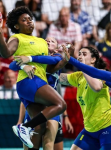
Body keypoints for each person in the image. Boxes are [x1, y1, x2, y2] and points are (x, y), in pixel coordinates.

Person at [0, 6, 67, 148]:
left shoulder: (42, 41)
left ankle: (26, 127)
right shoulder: (17, 38)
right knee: (61, 105)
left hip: (36, 84)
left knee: (41, 125)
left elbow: (48, 69)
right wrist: (0, 32)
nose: (29, 21)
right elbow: (6, 54)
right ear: (16, 26)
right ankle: (24, 127)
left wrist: (64, 61)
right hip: (29, 82)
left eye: (30, 19)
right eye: (24, 20)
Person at [10, 36, 73, 150]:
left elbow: (52, 64)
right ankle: (25, 127)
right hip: (35, 105)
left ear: (57, 48)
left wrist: (29, 58)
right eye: (46, 40)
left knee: (48, 142)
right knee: (31, 145)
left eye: (52, 41)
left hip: (51, 106)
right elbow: (12, 65)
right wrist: (24, 64)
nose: (48, 41)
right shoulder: (36, 60)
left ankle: (26, 127)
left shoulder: (56, 57)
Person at [59, 46, 111, 150]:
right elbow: (57, 78)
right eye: (79, 54)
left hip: (108, 126)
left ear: (93, 59)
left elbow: (97, 87)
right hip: (90, 129)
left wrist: (83, 66)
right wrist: (56, 58)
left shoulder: (102, 73)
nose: (80, 56)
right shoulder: (78, 76)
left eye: (84, 54)